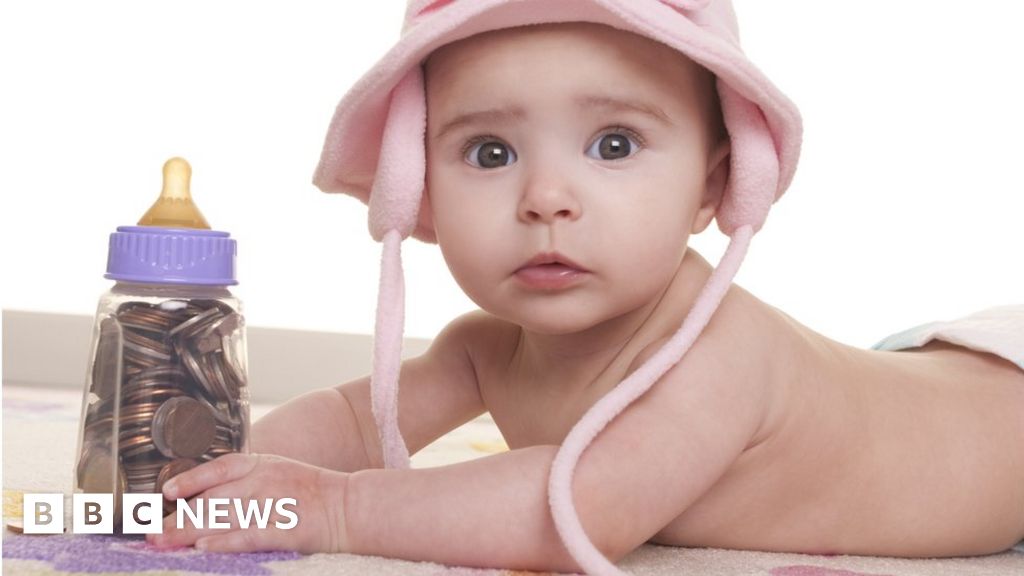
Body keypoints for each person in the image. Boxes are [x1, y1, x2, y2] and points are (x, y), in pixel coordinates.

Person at [147, 1, 1024, 574]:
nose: (546, 199)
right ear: (414, 192)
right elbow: (348, 420)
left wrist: (335, 509)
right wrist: (211, 474)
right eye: (489, 154)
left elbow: (575, 509)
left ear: (717, 188)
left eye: (614, 145)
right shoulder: (485, 351)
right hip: (918, 364)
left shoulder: (718, 360)